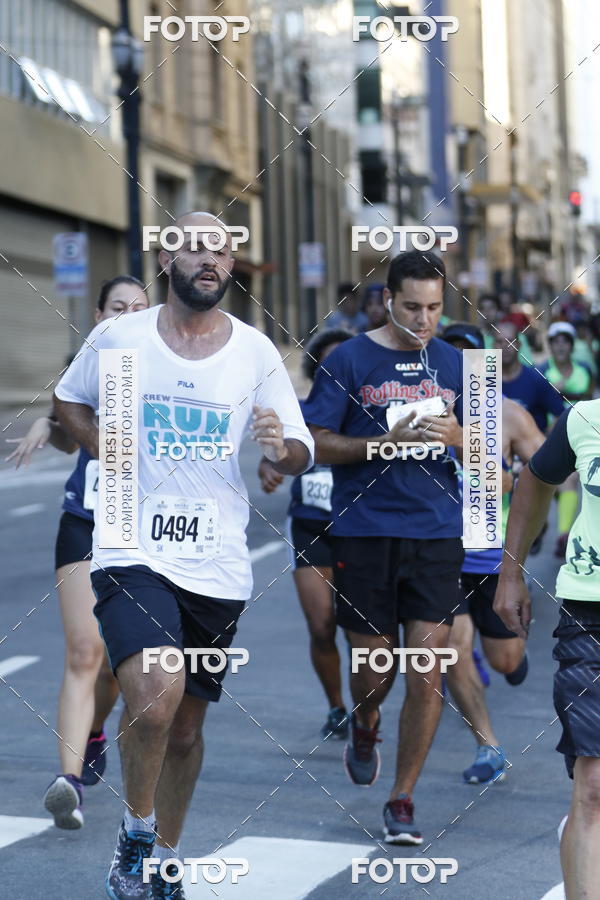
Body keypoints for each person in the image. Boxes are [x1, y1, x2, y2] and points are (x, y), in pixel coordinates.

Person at [53, 211, 313, 900]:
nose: (208, 259)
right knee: (155, 690)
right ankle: (136, 835)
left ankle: (165, 855)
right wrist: (105, 448)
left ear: (232, 266)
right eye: (193, 247)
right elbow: (69, 400)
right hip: (130, 545)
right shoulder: (121, 338)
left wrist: (280, 449)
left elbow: (300, 447)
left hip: (216, 560)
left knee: (187, 728)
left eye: (220, 250)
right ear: (167, 260)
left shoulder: (254, 352)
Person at [303, 249, 464, 845]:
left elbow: (491, 448)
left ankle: (402, 799)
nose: (424, 320)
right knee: (375, 672)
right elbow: (315, 442)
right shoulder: (348, 358)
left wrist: (459, 435)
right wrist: (382, 443)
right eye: (412, 307)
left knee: (426, 668)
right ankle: (366, 719)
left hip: (436, 532)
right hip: (364, 530)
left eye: (434, 308)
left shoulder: (455, 362)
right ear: (388, 300)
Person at [7, 276, 148, 831]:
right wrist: (48, 423)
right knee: (85, 652)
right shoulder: (88, 365)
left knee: (116, 664)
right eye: (117, 307)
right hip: (86, 520)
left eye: (139, 308)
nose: (127, 316)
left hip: (142, 530)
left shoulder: (165, 366)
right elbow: (71, 427)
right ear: (98, 313)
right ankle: (67, 783)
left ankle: (93, 731)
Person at [494, 398, 600, 900]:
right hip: (591, 613)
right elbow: (535, 479)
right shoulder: (586, 419)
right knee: (594, 784)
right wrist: (510, 574)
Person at [441, 322, 544, 785]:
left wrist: (513, 481)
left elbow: (547, 474)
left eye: (465, 358)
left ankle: (511, 657)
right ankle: (488, 746)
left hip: (489, 552)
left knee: (504, 661)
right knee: (453, 649)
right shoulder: (419, 410)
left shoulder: (507, 414)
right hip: (439, 553)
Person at [258, 328, 352, 739]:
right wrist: (269, 466)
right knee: (322, 625)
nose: (337, 371)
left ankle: (367, 709)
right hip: (310, 526)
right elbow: (275, 453)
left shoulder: (369, 413)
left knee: (362, 631)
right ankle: (337, 707)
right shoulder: (298, 411)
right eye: (328, 365)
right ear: (316, 369)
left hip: (359, 529)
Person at [540, 321, 593, 558]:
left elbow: (591, 402)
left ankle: (563, 535)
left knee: (569, 480)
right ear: (550, 345)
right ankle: (542, 527)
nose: (561, 346)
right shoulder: (541, 371)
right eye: (556, 342)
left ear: (571, 346)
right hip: (547, 437)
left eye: (565, 341)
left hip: (579, 437)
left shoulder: (584, 371)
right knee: (554, 486)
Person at [477, 293, 533, 365]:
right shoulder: (475, 339)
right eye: (483, 308)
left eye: (491, 308)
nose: (487, 312)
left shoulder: (517, 337)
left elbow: (528, 365)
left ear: (499, 311)